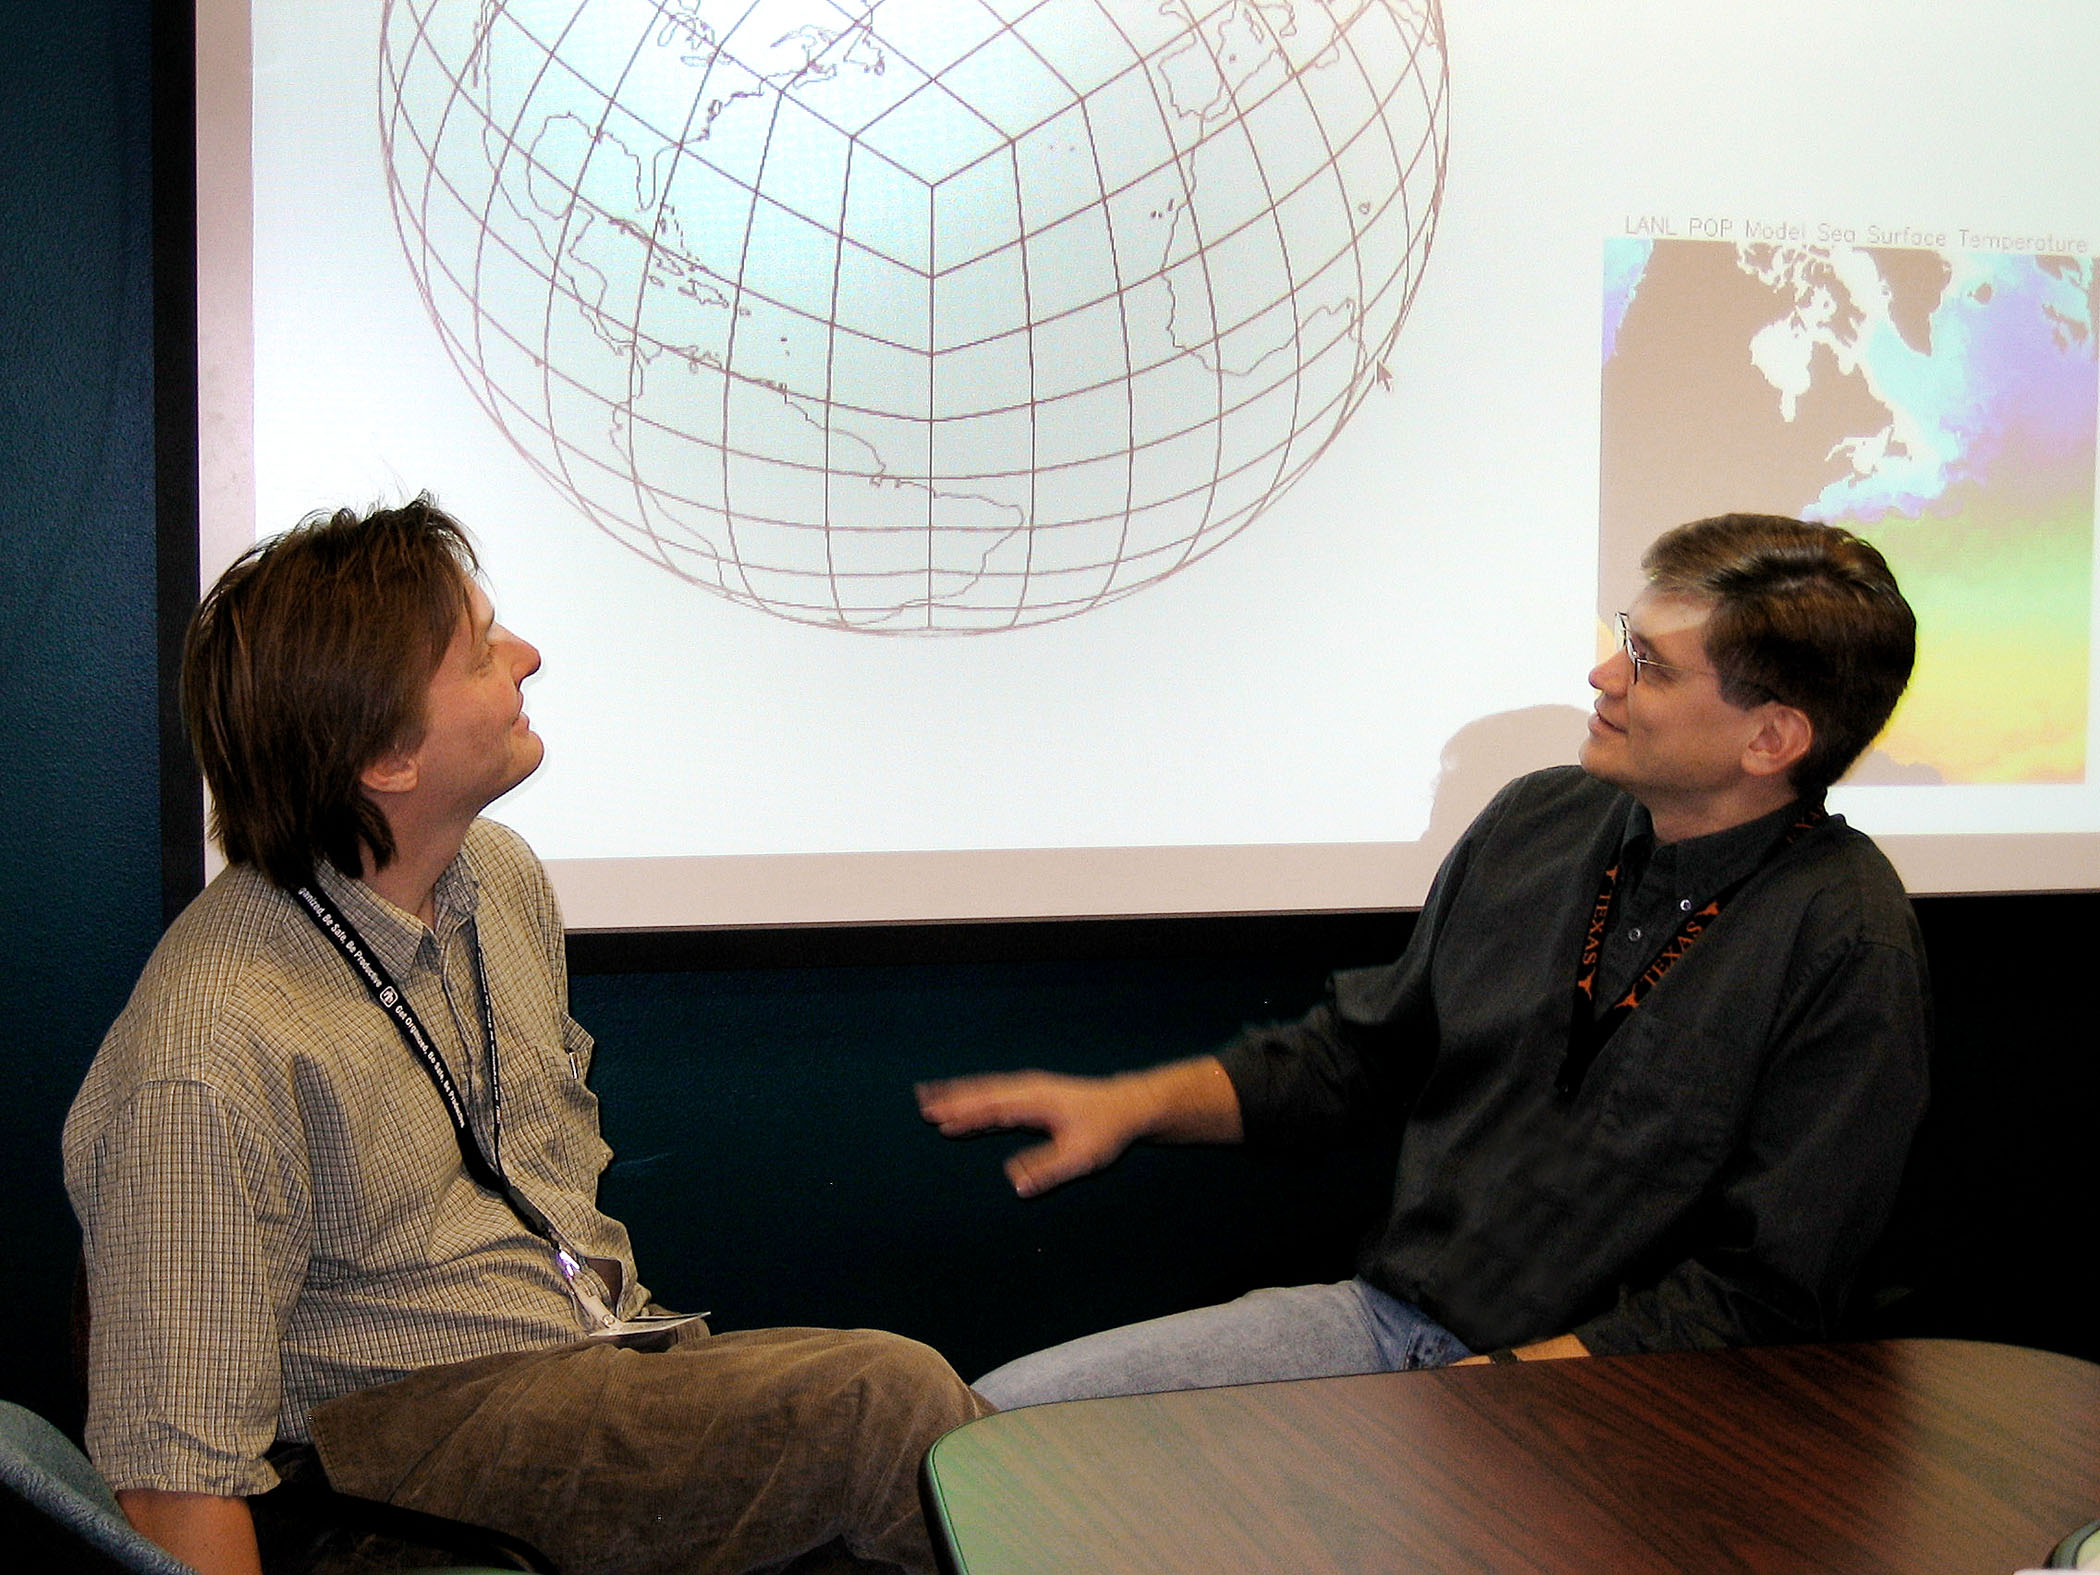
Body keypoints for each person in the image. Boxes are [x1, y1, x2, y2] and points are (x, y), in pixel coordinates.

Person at [65, 498, 988, 1575]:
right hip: (390, 1469)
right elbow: (175, 1484)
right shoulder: (209, 1054)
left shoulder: (493, 878)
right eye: (481, 652)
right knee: (890, 1409)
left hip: (589, 1360)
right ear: (388, 759)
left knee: (932, 1454)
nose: (529, 656)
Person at [920, 512, 1931, 1405]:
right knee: (992, 1430)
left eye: (1651, 664)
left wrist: (1495, 1396)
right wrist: (1130, 1106)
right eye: (1624, 640)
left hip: (1623, 1404)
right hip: (1389, 1328)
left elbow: (1770, 1288)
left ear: (1771, 739)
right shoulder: (1542, 818)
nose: (1603, 674)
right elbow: (1357, 1059)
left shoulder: (1845, 937)